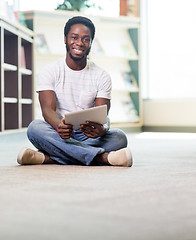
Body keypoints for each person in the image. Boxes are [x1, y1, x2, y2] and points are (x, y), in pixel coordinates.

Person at [17, 16, 133, 167]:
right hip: (59, 132)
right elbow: (47, 111)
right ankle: (103, 158)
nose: (79, 43)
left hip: (88, 135)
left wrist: (102, 129)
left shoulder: (101, 75)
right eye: (74, 37)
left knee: (119, 137)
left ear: (91, 43)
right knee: (34, 129)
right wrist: (60, 126)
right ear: (65, 39)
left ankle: (47, 158)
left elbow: (103, 115)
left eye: (86, 39)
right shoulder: (49, 71)